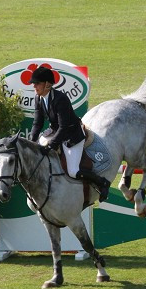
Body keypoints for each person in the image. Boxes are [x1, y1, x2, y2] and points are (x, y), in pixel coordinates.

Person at [27, 67, 109, 202]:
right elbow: (37, 123)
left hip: (72, 135)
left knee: (73, 171)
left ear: (47, 84)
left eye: (37, 83)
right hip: (55, 132)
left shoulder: (60, 98)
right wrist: (32, 141)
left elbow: (64, 126)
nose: (34, 86)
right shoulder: (38, 98)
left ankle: (101, 182)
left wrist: (51, 145)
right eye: (34, 83)